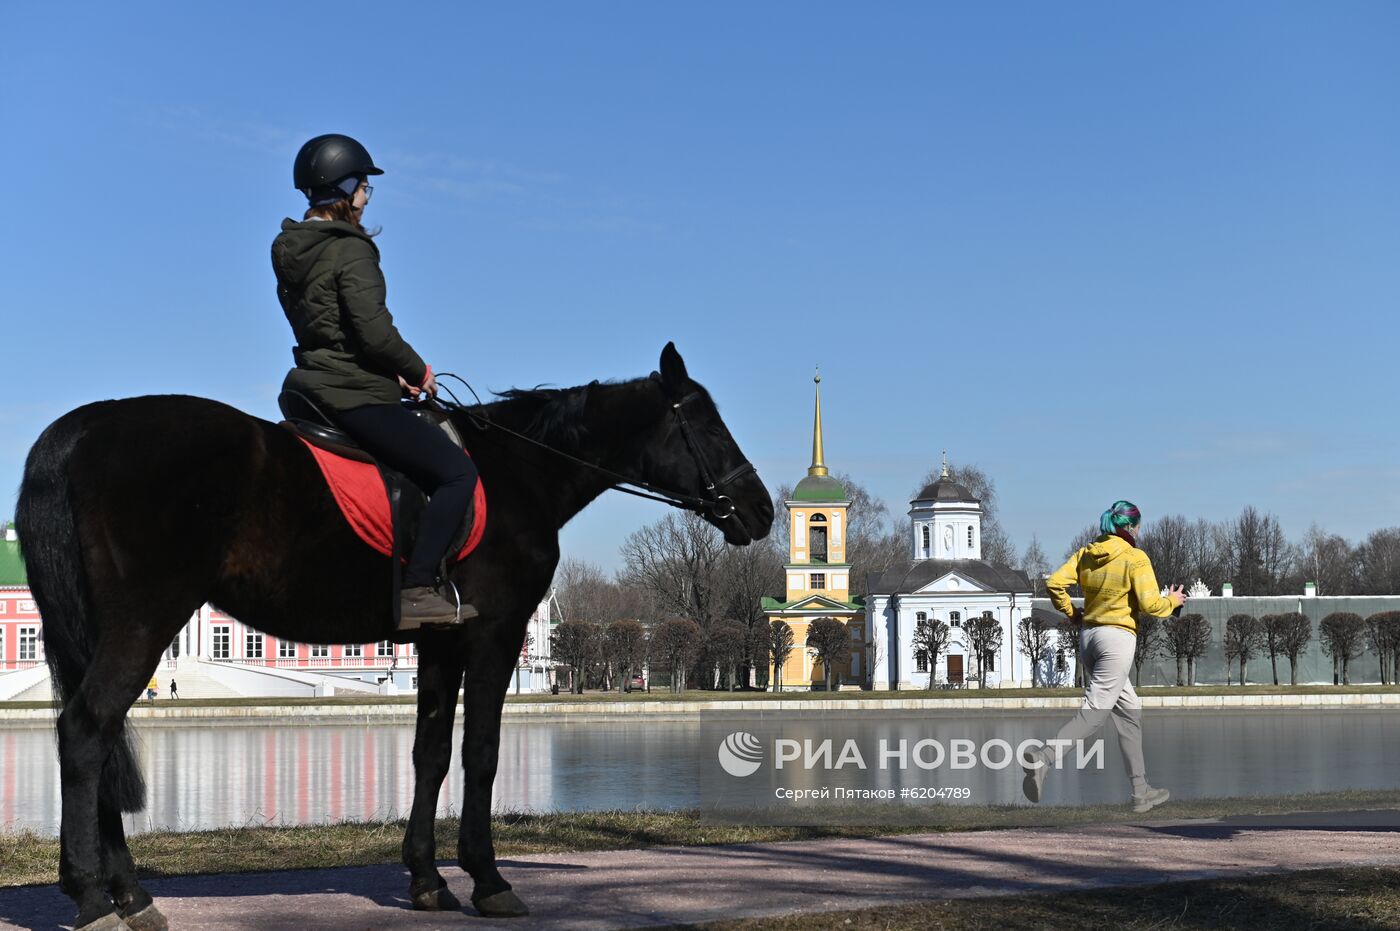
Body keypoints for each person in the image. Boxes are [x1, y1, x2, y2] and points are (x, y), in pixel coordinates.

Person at [273, 133, 478, 633]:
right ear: (343, 189)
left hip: (310, 386)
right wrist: (416, 370)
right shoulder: (351, 251)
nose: (367, 196)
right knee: (456, 474)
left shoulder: (291, 250)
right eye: (364, 186)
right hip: (352, 395)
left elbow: (331, 331)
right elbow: (372, 331)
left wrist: (388, 373)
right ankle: (418, 590)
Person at [1022, 500, 1186, 814]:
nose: (1139, 530)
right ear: (1130, 527)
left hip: (1089, 638)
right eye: (1138, 525)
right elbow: (1152, 605)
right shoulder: (1135, 558)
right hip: (1117, 640)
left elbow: (1054, 583)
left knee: (1129, 712)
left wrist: (1072, 613)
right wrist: (1173, 601)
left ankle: (1140, 792)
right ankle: (1043, 759)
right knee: (1094, 713)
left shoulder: (1087, 553)